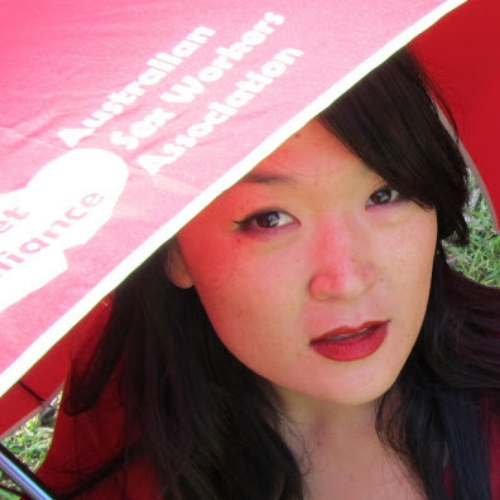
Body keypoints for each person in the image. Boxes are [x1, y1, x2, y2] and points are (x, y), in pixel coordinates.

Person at [35, 48, 500, 500]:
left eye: (385, 193)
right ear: (172, 252)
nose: (347, 281)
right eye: (269, 219)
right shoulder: (125, 403)